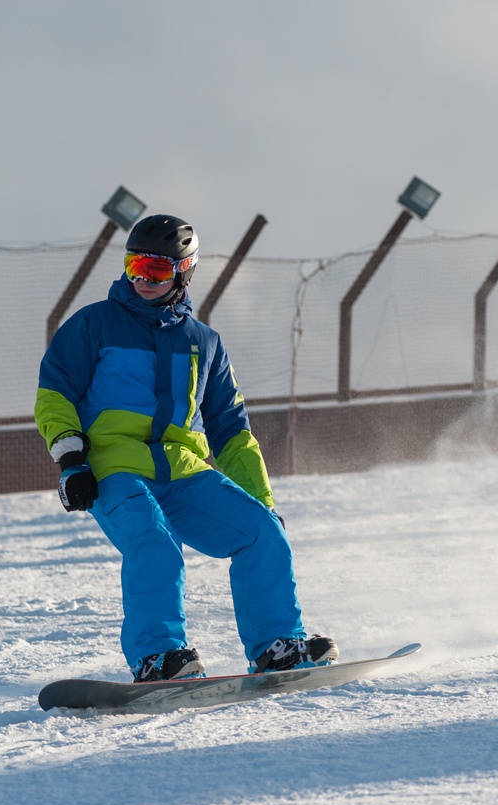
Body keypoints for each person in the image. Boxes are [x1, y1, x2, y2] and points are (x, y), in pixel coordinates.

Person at [35, 214, 337, 682]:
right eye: (135, 266)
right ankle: (158, 657)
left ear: (183, 270)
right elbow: (54, 394)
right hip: (114, 468)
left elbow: (232, 431)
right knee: (155, 542)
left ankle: (276, 647)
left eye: (156, 270)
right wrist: (71, 460)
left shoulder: (204, 343)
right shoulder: (94, 324)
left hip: (182, 470)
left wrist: (263, 500)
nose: (143, 280)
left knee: (261, 531)